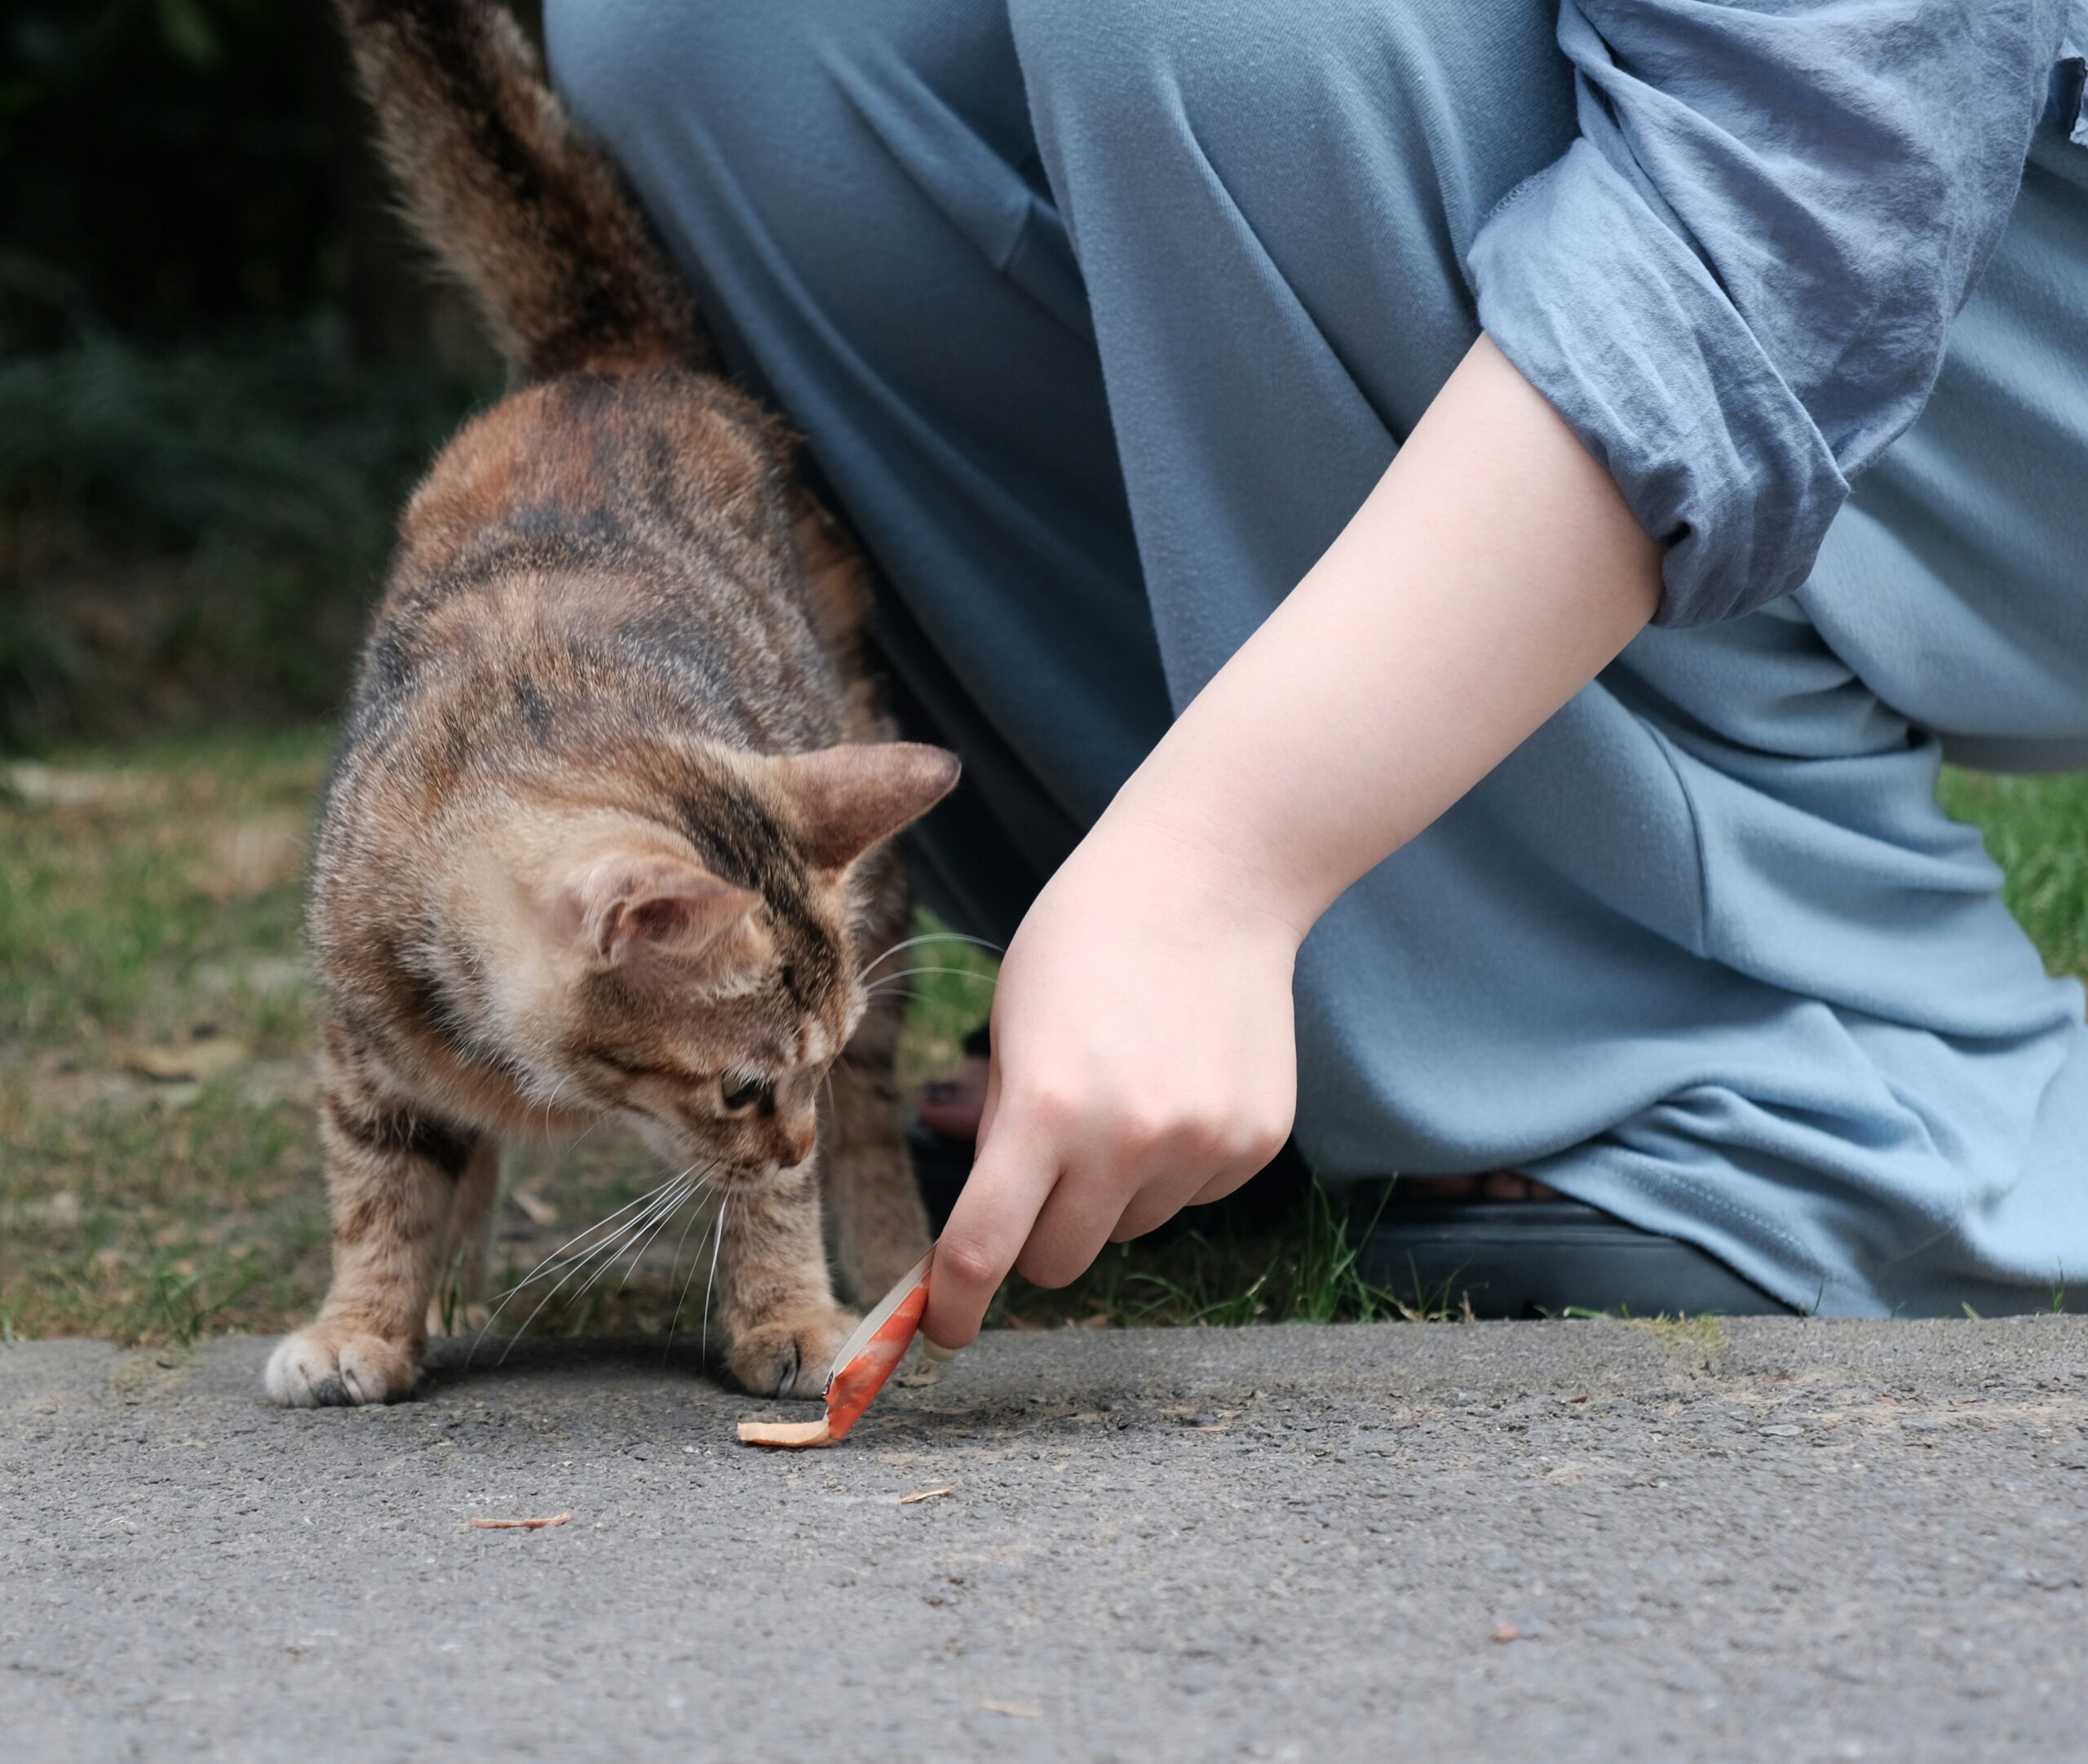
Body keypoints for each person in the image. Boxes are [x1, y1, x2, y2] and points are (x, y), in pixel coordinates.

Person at [542, 0, 2088, 1334]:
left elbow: (1818, 155)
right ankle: (1335, 1014)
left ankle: (1794, 1078)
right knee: (703, 37)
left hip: (1952, 200)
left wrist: (1210, 871)